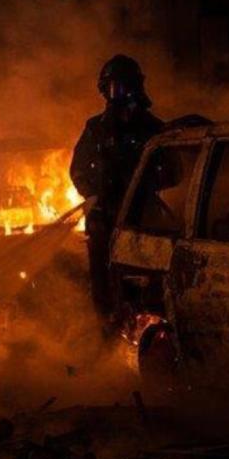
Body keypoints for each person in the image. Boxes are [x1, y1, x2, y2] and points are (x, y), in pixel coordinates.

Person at [70, 54, 163, 330]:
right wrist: (93, 196)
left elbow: (174, 170)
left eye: (124, 86)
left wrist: (142, 184)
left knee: (143, 279)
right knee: (102, 282)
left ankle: (144, 332)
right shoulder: (95, 128)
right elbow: (77, 170)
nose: (118, 94)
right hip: (103, 219)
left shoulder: (152, 128)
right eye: (113, 88)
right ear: (104, 89)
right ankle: (106, 333)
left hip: (142, 219)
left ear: (136, 86)